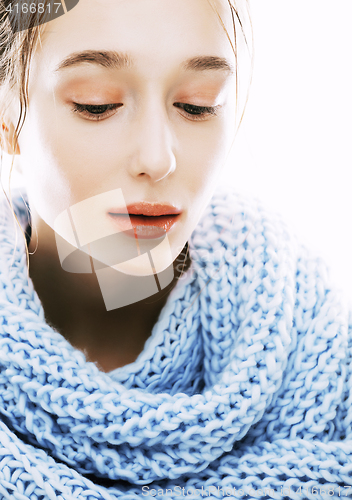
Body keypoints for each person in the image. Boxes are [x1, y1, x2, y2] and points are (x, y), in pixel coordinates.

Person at [0, 0, 351, 498]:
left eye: (197, 104)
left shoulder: (313, 337)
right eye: (96, 104)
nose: (157, 157)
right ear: (7, 118)